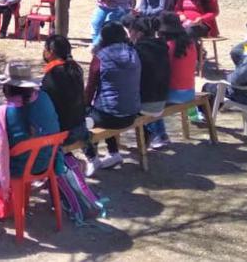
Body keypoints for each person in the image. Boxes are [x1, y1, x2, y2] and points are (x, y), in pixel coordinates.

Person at [0, 62, 63, 199]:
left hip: (18, 168)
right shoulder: (44, 98)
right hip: (46, 161)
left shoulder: (3, 113)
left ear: (7, 88)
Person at [83, 22, 141, 176]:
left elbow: (90, 89)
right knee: (108, 105)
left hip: (108, 116)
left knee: (83, 119)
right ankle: (114, 153)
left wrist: (83, 107)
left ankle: (91, 157)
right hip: (132, 113)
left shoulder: (100, 57)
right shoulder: (133, 53)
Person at [145, 12, 198, 149]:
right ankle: (160, 134)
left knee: (148, 101)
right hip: (190, 92)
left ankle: (158, 134)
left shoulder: (166, 46)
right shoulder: (191, 44)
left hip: (173, 94)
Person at [41, 35, 88, 146]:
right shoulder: (76, 69)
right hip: (80, 128)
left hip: (64, 134)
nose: (43, 52)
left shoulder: (52, 76)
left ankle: (64, 159)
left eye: (45, 49)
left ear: (51, 52)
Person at [122, 14, 170, 116]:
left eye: (130, 32)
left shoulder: (137, 51)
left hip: (144, 104)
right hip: (162, 100)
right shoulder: (162, 47)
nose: (129, 35)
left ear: (139, 34)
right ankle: (156, 131)